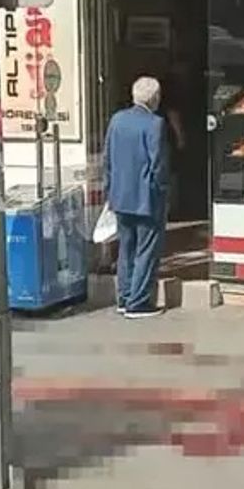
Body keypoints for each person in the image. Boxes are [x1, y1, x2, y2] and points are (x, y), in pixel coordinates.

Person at [104, 76, 168, 319]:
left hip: (120, 196)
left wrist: (110, 190)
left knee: (126, 249)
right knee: (146, 250)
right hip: (146, 197)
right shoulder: (155, 124)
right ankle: (138, 302)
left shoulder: (117, 120)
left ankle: (124, 297)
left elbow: (107, 159)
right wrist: (162, 189)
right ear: (155, 98)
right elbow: (158, 163)